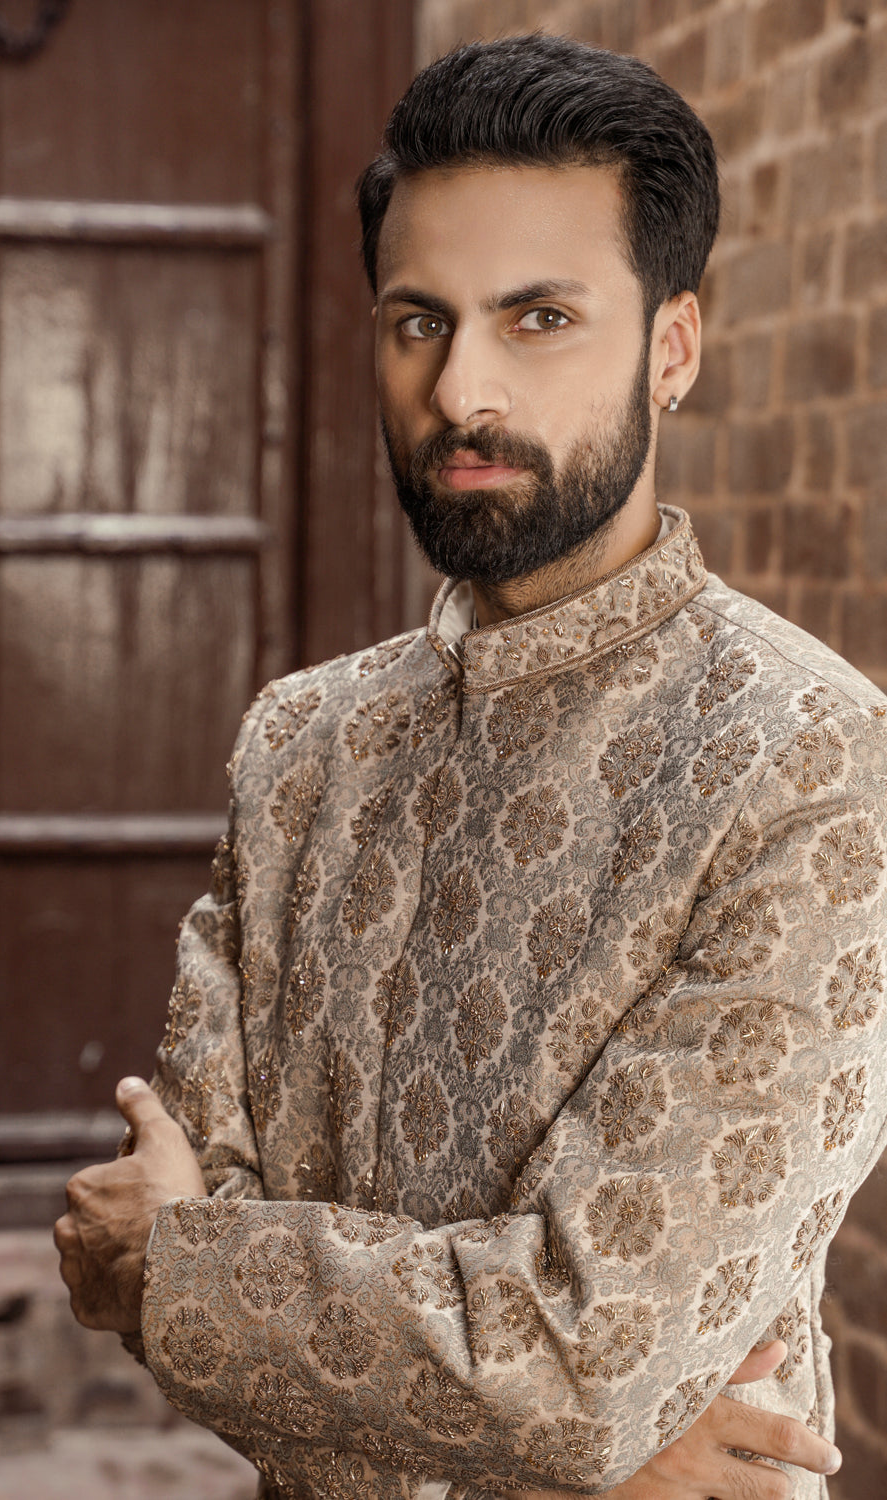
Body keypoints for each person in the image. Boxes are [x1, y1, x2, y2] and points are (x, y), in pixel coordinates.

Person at [55, 33, 887, 1500]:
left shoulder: (807, 766)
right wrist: (571, 1431)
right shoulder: (300, 747)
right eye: (417, 322)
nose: (461, 394)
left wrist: (187, 1278)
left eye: (541, 318)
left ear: (671, 346)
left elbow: (576, 1359)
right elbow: (572, 1393)